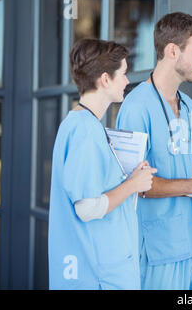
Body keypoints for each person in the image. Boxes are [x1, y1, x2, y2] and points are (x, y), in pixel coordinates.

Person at [116, 12, 192, 290]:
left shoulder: (190, 107)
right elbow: (134, 185)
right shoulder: (136, 107)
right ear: (172, 51)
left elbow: (185, 168)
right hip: (158, 251)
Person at [48, 39, 156, 289]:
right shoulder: (85, 130)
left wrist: (131, 179)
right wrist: (132, 185)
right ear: (105, 79)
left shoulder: (81, 124)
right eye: (124, 73)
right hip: (97, 277)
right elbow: (87, 208)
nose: (127, 81)